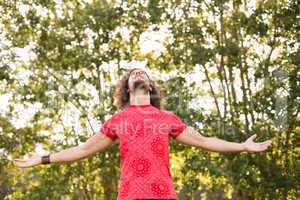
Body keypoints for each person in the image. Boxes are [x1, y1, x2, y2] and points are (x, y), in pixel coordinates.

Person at [13, 68, 272, 200]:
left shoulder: (166, 118)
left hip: (163, 195)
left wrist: (242, 146)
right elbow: (82, 150)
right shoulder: (118, 120)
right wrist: (43, 158)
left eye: (143, 73)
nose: (139, 73)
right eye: (134, 74)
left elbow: (204, 141)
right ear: (126, 88)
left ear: (151, 86)